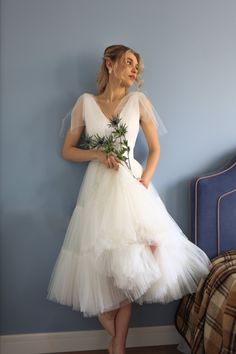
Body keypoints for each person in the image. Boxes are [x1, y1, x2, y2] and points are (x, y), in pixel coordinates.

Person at [47, 44, 211, 354]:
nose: (135, 70)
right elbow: (67, 150)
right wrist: (97, 153)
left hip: (132, 187)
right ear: (109, 64)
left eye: (137, 66)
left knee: (131, 270)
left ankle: (118, 346)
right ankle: (115, 337)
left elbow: (155, 150)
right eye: (129, 62)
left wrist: (145, 181)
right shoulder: (85, 103)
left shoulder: (139, 101)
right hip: (98, 191)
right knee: (95, 266)